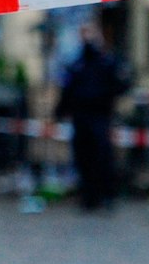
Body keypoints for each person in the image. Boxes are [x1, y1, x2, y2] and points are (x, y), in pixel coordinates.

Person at [54, 19, 132, 212]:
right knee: (84, 158)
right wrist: (60, 111)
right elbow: (68, 89)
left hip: (100, 116)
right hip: (81, 117)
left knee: (102, 157)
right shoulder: (77, 63)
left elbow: (121, 83)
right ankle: (89, 197)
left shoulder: (106, 62)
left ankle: (105, 196)